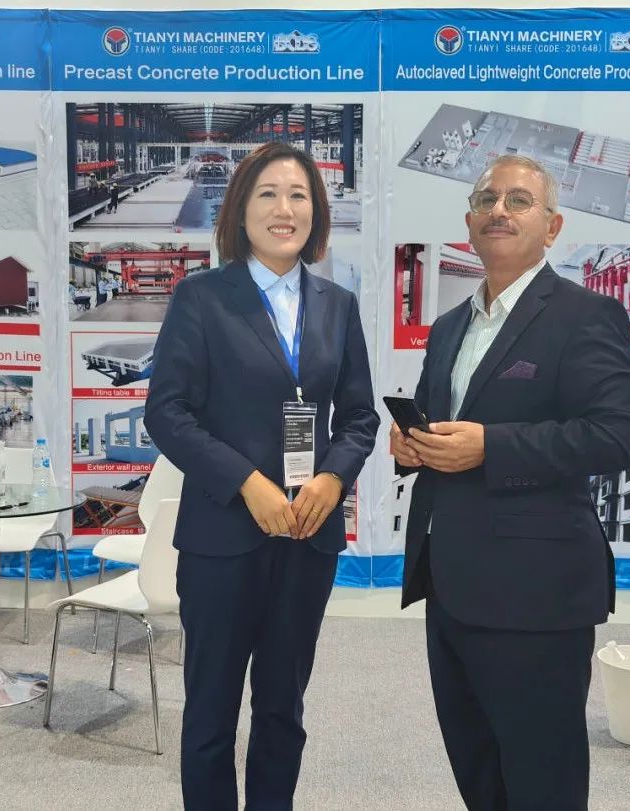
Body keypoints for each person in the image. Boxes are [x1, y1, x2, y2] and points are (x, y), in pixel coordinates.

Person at [391, 155, 630, 811]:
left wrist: (491, 447)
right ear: (470, 222)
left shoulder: (586, 315)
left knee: (542, 780)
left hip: (537, 593)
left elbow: (616, 437)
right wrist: (412, 447)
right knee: (479, 772)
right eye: (487, 199)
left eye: (519, 200)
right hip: (449, 584)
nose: (499, 210)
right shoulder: (450, 326)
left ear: (552, 227)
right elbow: (441, 425)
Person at [145, 141, 379, 810]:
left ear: (316, 212)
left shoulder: (337, 305)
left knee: (283, 709)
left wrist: (332, 480)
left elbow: (359, 417)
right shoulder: (202, 298)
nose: (285, 209)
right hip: (223, 537)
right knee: (211, 713)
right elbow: (167, 412)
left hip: (308, 537)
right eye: (268, 194)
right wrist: (248, 483)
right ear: (241, 210)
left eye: (299, 195)